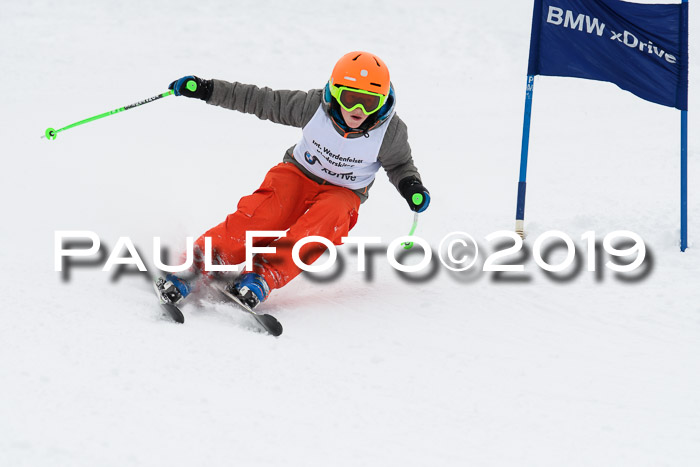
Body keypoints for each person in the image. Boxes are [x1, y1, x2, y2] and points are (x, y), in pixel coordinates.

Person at [157, 51, 430, 309]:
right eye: (349, 98)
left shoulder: (390, 131)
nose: (358, 109)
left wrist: (410, 186)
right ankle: (195, 266)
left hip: (344, 192)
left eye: (369, 102)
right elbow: (261, 100)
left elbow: (400, 164)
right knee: (263, 216)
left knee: (323, 223)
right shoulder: (313, 108)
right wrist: (209, 89)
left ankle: (261, 277)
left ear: (383, 101)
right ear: (335, 93)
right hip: (298, 174)